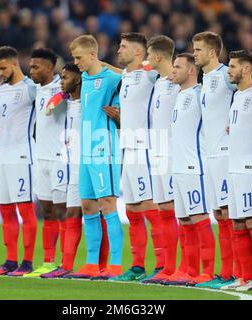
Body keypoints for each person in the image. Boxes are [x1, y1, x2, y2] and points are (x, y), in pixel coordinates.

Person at [103, 32, 164, 282]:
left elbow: (168, 65)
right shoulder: (126, 75)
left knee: (150, 207)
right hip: (127, 148)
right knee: (131, 209)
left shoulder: (150, 73)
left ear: (139, 53)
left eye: (123, 46)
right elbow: (111, 68)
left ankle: (162, 266)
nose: (118, 50)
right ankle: (137, 266)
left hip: (145, 148)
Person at [63, 35, 124, 280]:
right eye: (74, 57)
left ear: (91, 54)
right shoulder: (86, 78)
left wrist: (120, 116)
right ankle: (91, 264)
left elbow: (127, 106)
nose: (75, 62)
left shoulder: (113, 79)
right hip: (85, 151)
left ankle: (116, 265)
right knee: (87, 207)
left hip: (104, 149)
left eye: (78, 57)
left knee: (107, 204)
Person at [163, 52, 216, 286]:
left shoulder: (200, 94)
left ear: (191, 71)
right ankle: (189, 271)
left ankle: (208, 272)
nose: (172, 70)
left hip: (195, 166)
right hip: (179, 167)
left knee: (200, 219)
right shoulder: (179, 94)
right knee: (184, 220)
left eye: (177, 67)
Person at [192, 31, 240, 289]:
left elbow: (249, 88)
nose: (194, 53)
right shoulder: (205, 78)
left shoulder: (225, 74)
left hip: (225, 154)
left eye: (198, 49)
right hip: (209, 155)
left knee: (229, 214)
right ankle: (226, 272)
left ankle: (233, 273)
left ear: (212, 52)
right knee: (219, 214)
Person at [0, 46, 37, 276]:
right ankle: (10, 261)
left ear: (15, 64)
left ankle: (27, 263)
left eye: (3, 68)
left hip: (23, 156)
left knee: (25, 210)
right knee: (5, 211)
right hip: (4, 158)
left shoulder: (30, 89)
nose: (0, 73)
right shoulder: (0, 90)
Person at [223, 50, 252, 291]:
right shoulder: (237, 96)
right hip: (234, 169)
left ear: (247, 69)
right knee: (237, 224)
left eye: (233, 66)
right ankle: (244, 277)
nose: (228, 70)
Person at [25, 48, 68, 277]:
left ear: (50, 68)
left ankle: (65, 263)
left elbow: (69, 92)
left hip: (59, 159)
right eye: (31, 66)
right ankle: (49, 262)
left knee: (63, 213)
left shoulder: (62, 86)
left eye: (35, 67)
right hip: (40, 158)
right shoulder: (37, 89)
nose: (31, 71)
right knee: (48, 212)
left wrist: (59, 97)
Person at [141, 35, 181, 285]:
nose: (146, 58)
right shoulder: (157, 81)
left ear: (157, 56)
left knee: (178, 213)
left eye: (148, 54)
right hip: (156, 154)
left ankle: (180, 267)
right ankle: (167, 267)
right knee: (163, 210)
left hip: (172, 154)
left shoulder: (179, 83)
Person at [40, 63, 84, 278]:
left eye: (65, 78)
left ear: (78, 79)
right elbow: (50, 105)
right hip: (68, 162)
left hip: (88, 162)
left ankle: (104, 266)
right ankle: (66, 265)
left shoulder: (90, 100)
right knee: (68, 212)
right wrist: (57, 97)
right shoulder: (67, 100)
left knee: (97, 213)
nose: (61, 81)